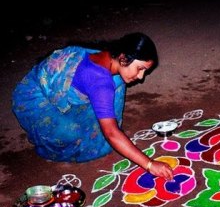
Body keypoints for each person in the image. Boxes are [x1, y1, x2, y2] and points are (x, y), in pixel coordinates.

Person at [12, 32, 173, 180]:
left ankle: (102, 121)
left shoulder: (110, 55)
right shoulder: (100, 81)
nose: (141, 77)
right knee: (82, 139)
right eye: (140, 69)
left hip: (72, 90)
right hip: (33, 101)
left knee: (118, 81)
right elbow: (110, 133)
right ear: (123, 58)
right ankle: (48, 144)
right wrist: (150, 164)